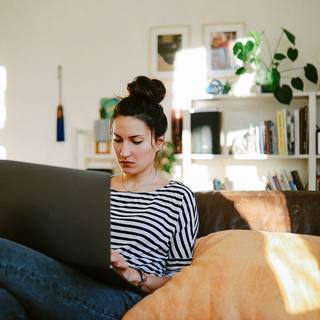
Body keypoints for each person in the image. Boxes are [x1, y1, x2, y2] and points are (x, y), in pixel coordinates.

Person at [0, 75, 199, 319]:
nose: (124, 152)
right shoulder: (95, 187)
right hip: (75, 282)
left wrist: (131, 274)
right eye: (117, 140)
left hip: (124, 297)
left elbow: (182, 282)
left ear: (159, 142)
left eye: (136, 141)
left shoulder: (178, 197)